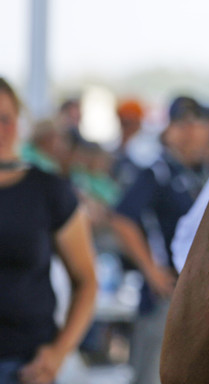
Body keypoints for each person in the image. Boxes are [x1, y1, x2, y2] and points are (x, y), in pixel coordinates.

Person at [0, 77, 97, 384]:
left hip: (24, 365)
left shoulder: (48, 190)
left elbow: (86, 281)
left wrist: (58, 353)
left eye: (5, 119)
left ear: (19, 121)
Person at [109, 95, 208, 384]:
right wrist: (151, 270)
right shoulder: (157, 171)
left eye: (195, 124)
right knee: (152, 376)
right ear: (167, 130)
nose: (189, 131)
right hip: (164, 296)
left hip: (197, 295)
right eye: (181, 124)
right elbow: (122, 217)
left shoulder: (203, 171)